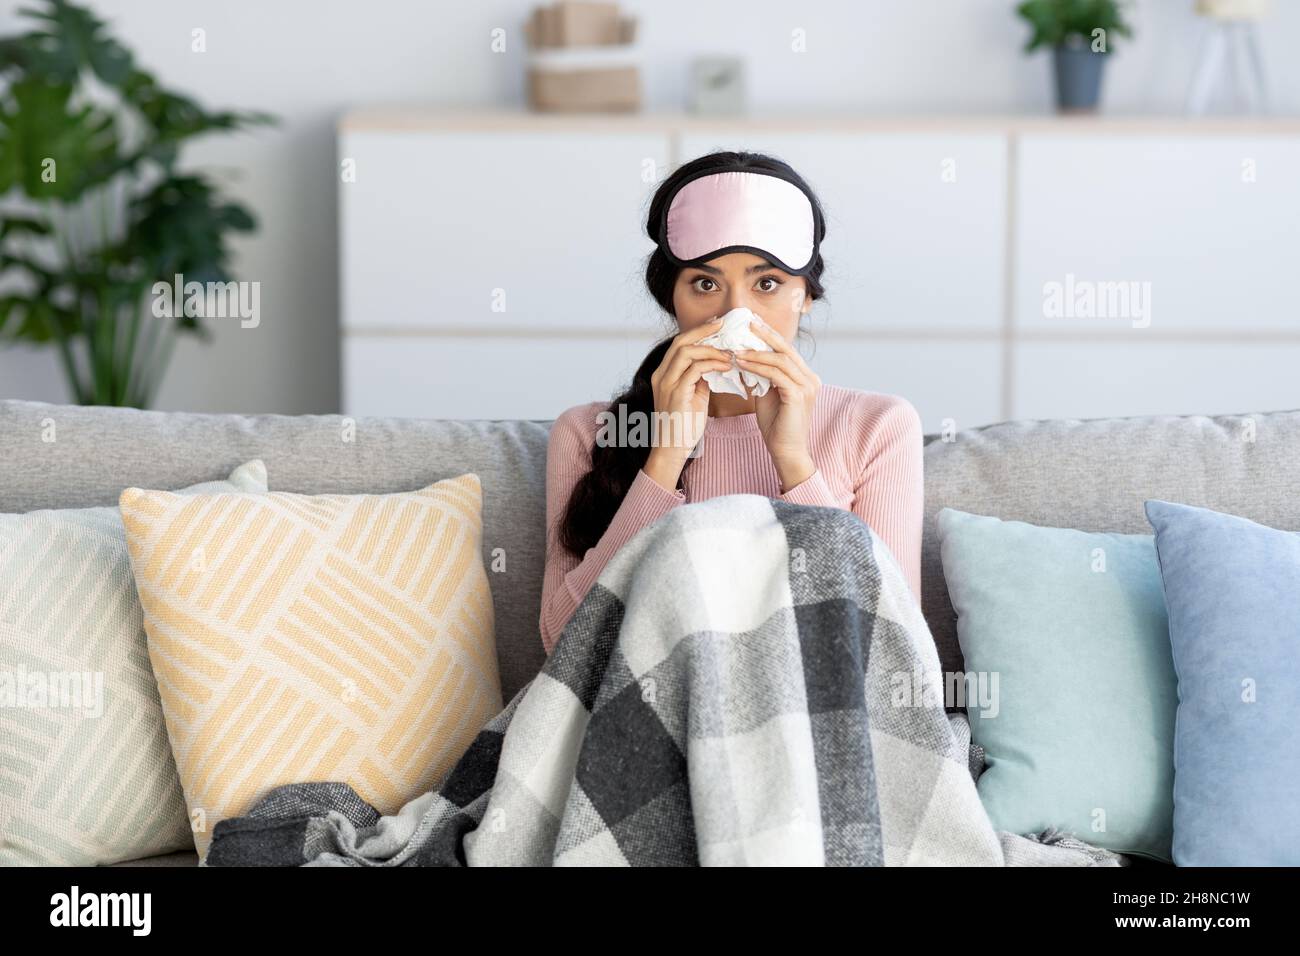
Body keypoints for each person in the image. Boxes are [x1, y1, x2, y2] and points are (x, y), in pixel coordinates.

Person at [539, 150, 924, 655]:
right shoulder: (588, 432)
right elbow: (561, 645)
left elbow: (893, 650)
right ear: (670, 297)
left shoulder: (878, 426)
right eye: (705, 284)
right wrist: (665, 458)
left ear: (805, 296)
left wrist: (794, 462)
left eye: (767, 284)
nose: (735, 315)